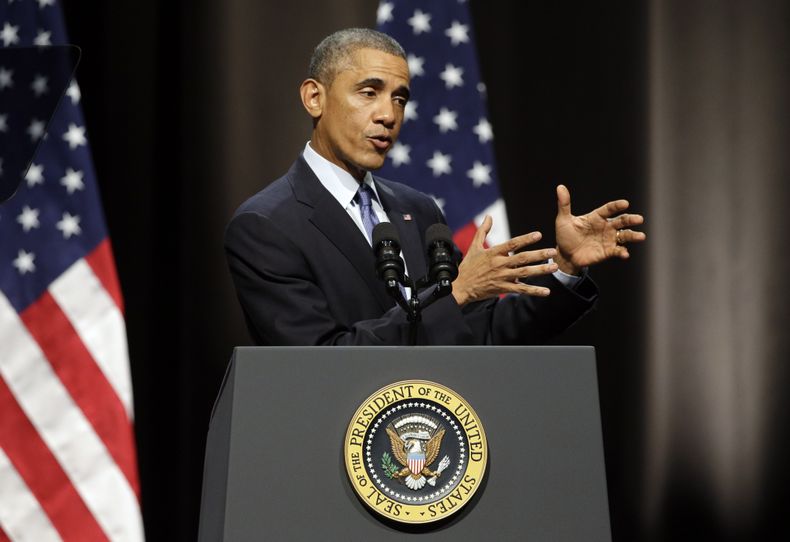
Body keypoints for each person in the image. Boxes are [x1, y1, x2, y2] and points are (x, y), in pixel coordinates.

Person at [224, 28, 645, 346]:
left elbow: (485, 333)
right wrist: (457, 294)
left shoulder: (419, 210)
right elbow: (320, 359)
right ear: (314, 97)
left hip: (440, 445)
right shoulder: (267, 225)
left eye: (400, 98)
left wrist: (567, 271)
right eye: (369, 92)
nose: (388, 115)